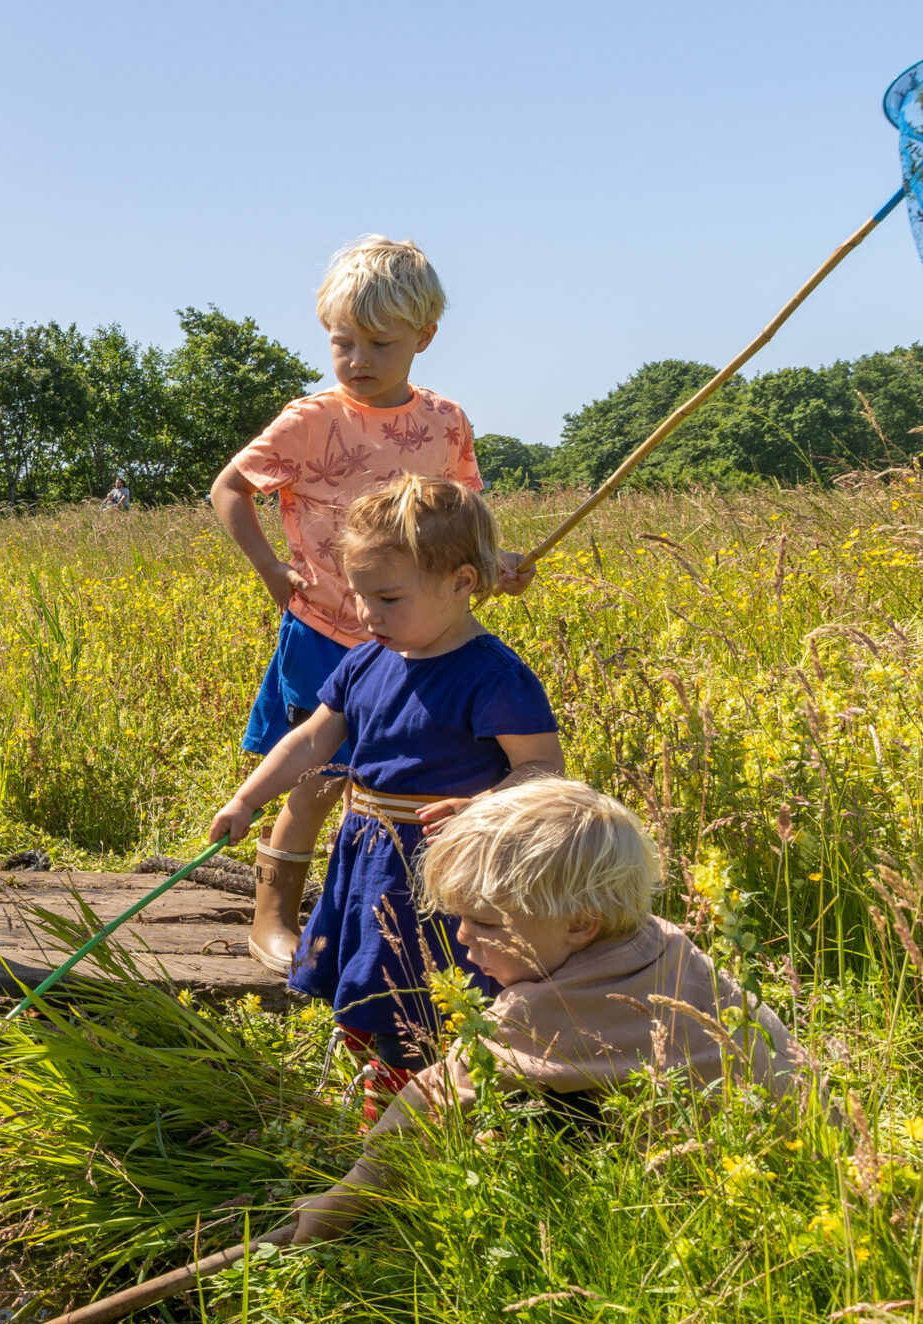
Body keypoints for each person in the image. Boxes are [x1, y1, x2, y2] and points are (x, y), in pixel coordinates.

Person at [282, 777, 805, 1243]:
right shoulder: (662, 945)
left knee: (494, 1107)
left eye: (484, 925)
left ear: (581, 924)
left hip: (710, 1208)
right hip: (792, 1166)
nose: (462, 938)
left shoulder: (554, 1007)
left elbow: (431, 1101)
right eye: (459, 920)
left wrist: (343, 1201)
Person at [210, 236, 533, 975]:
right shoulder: (311, 419)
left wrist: (494, 565)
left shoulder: (446, 421)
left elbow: (465, 513)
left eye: (379, 343)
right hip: (328, 627)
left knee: (404, 777)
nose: (357, 359)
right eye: (342, 341)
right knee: (321, 778)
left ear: (424, 338)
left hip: (420, 636)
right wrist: (271, 571)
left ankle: (416, 922)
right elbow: (230, 489)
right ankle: (272, 915)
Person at [208, 475, 563, 1117]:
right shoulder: (367, 659)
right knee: (366, 973)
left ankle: (412, 1121)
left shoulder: (494, 676)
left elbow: (541, 772)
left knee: (425, 993)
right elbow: (310, 742)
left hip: (440, 868)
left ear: (461, 583)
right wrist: (247, 800)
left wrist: (482, 810)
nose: (368, 614)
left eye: (389, 597)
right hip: (366, 856)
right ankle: (371, 1072)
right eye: (360, 594)